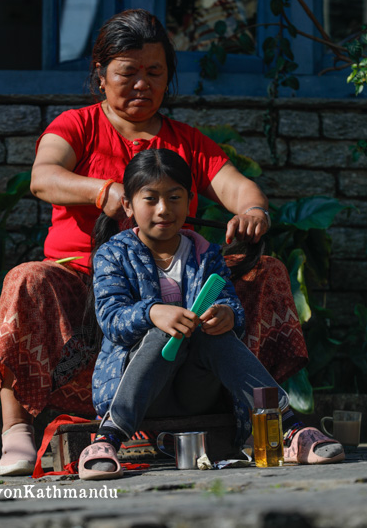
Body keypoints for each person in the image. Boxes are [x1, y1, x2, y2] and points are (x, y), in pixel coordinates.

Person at [0, 8, 307, 476]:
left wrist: (253, 211)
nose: (142, 84)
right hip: (84, 275)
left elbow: (237, 186)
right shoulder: (78, 125)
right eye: (128, 73)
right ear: (100, 75)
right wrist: (101, 190)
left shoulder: (186, 141)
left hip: (176, 283)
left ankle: (275, 423)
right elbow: (43, 176)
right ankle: (16, 431)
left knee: (269, 272)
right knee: (26, 279)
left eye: (154, 72)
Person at [78, 149, 344, 480]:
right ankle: (109, 438)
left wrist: (227, 316)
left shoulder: (205, 254)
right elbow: (111, 318)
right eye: (151, 199)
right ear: (129, 205)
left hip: (198, 389)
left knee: (211, 331)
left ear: (190, 202)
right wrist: (154, 313)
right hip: (140, 390)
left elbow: (229, 302)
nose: (164, 209)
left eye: (175, 198)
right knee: (165, 332)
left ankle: (289, 430)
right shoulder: (113, 254)